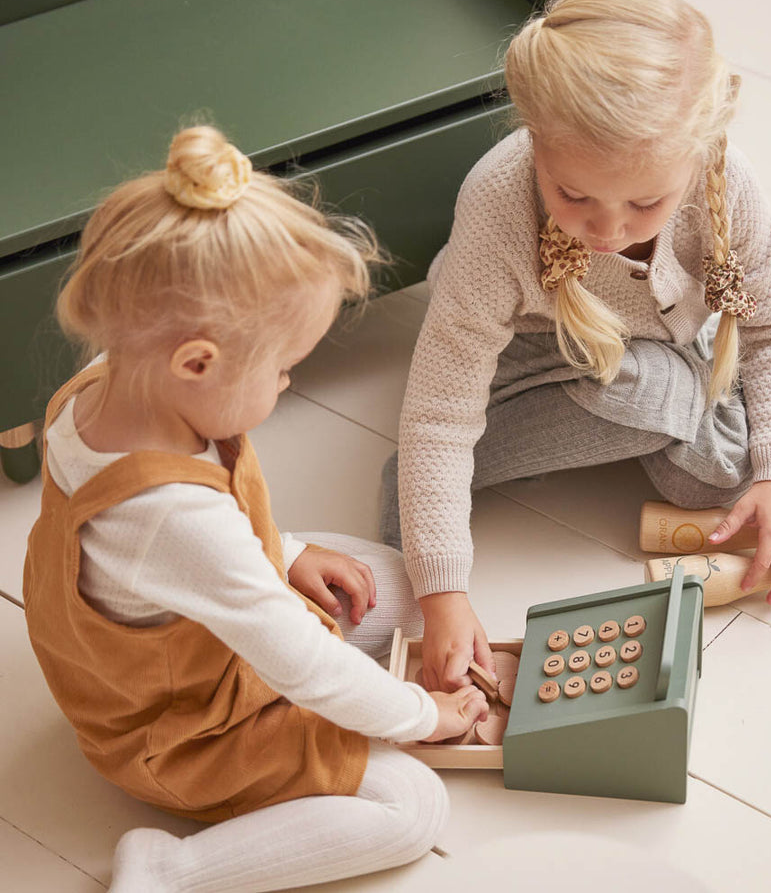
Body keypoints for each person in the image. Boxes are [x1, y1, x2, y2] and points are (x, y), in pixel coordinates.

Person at [381, 0, 771, 692]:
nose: (608, 230)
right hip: (532, 360)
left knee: (706, 476)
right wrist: (441, 592)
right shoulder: (497, 210)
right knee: (656, 403)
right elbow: (441, 416)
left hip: (669, 336)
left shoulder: (724, 179)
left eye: (646, 204)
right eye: (574, 195)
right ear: (533, 137)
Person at [23, 126, 488, 893]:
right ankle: (169, 871)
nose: (287, 387)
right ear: (196, 363)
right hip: (183, 729)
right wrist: (419, 717)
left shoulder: (118, 376)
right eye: (281, 370)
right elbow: (292, 654)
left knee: (402, 590)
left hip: (199, 638)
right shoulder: (168, 517)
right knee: (412, 809)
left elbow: (212, 544)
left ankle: (343, 658)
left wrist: (289, 551)